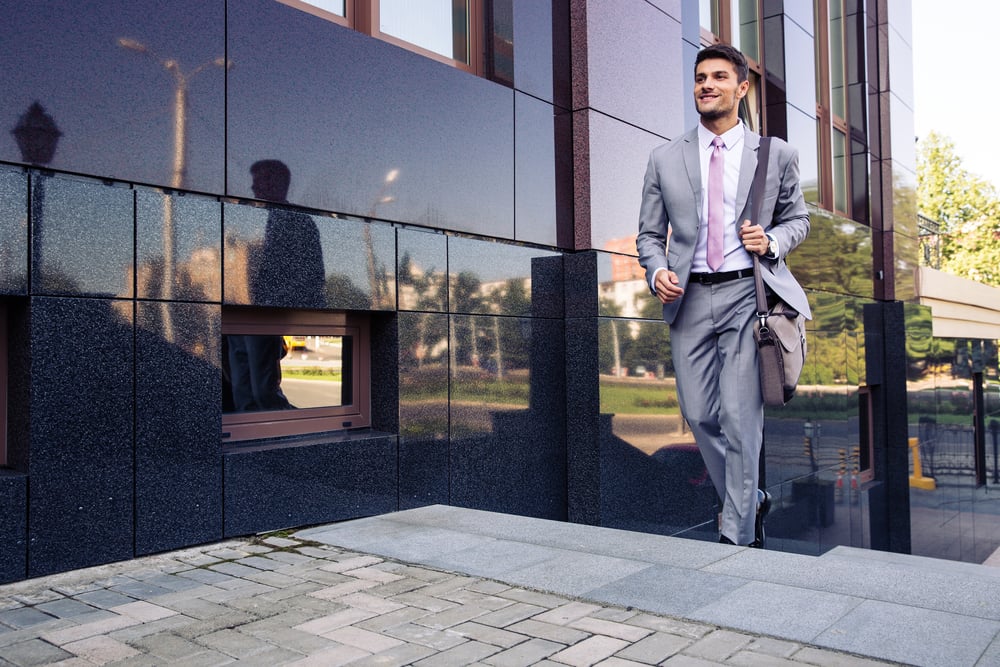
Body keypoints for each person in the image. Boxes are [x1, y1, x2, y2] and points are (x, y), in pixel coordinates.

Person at [636, 43, 811, 547]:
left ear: (741, 87)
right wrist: (655, 271)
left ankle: (736, 534)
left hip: (746, 297)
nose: (706, 84)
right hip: (687, 299)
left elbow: (798, 218)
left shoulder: (775, 155)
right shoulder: (664, 158)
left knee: (739, 417)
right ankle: (749, 497)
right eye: (699, 78)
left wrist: (773, 240)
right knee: (700, 414)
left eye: (717, 76)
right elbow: (649, 235)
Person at [225, 160, 326, 412]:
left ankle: (298, 430)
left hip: (263, 314)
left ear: (276, 182)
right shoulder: (262, 220)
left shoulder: (297, 221)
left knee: (262, 390)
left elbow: (312, 274)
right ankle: (251, 438)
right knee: (243, 389)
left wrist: (272, 305)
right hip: (242, 313)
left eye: (259, 180)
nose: (252, 187)